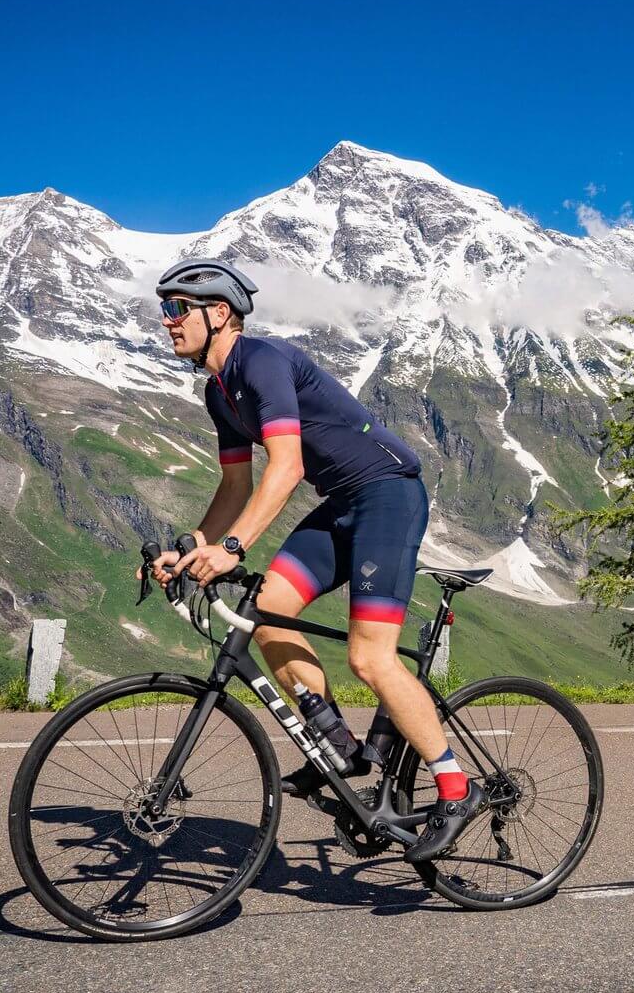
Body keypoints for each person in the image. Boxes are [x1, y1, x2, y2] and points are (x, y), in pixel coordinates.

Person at [145, 259, 484, 861]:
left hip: (387, 495)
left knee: (369, 657)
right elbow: (234, 488)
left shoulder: (262, 361)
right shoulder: (219, 393)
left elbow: (288, 466)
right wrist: (191, 547)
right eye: (163, 309)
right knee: (267, 611)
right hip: (341, 505)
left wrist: (232, 549)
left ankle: (457, 789)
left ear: (219, 313)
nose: (167, 321)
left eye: (177, 308)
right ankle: (338, 747)